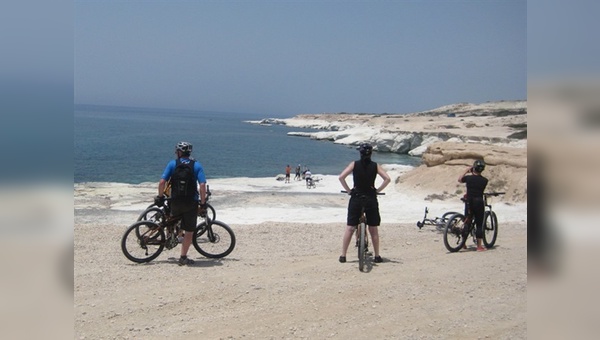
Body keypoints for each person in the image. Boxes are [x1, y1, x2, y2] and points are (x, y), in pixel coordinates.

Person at [155, 141, 207, 266]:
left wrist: (160, 197)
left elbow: (162, 182)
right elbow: (202, 185)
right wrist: (203, 202)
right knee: (189, 231)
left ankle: (170, 237)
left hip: (175, 200)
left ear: (179, 153)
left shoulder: (173, 164)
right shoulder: (196, 165)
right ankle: (183, 257)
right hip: (190, 202)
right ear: (189, 153)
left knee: (172, 218)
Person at [338, 143, 391, 264]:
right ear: (371, 153)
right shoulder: (375, 166)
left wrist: (349, 191)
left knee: (350, 227)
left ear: (360, 153)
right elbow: (387, 179)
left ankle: (343, 255)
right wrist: (377, 190)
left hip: (356, 197)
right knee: (373, 228)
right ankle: (377, 256)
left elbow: (341, 177)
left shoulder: (354, 164)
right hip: (370, 198)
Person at [458, 159, 489, 252]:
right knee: (479, 224)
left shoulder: (468, 178)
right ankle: (479, 246)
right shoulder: (484, 180)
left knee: (467, 221)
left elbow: (459, 179)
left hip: (469, 202)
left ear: (473, 168)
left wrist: (466, 170)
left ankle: (463, 243)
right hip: (479, 202)